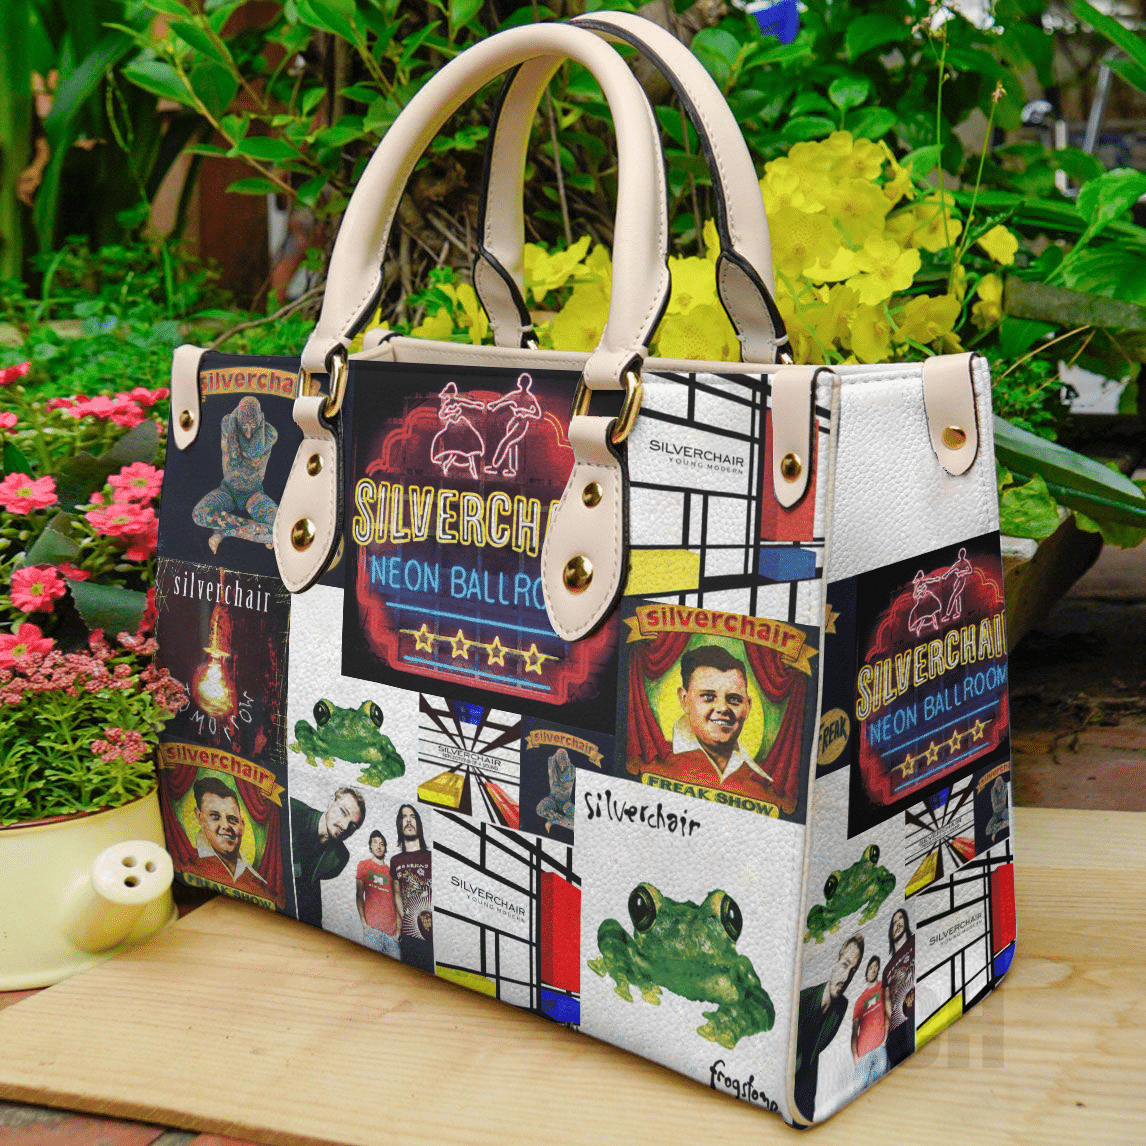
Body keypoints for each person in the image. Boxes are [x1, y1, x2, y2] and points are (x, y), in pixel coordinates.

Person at [650, 646, 774, 795]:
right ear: (684, 699)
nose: (723, 708)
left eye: (734, 699)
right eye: (708, 697)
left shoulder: (762, 782)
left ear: (747, 707)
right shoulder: (655, 763)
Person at [192, 396, 279, 553]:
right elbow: (234, 459)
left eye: (254, 425)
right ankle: (257, 532)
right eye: (244, 425)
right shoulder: (228, 423)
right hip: (227, 491)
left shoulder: (270, 433)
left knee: (281, 526)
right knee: (199, 514)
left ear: (261, 418)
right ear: (238, 417)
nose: (248, 432)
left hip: (254, 495)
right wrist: (233, 421)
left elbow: (253, 452)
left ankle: (225, 532)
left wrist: (226, 530)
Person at [794, 933, 864, 1123]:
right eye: (844, 965)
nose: (846, 976)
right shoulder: (801, 1001)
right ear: (835, 962)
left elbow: (817, 1048)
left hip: (806, 1090)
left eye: (853, 970)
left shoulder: (841, 1007)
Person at [290, 786, 366, 928]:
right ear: (331, 801)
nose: (345, 826)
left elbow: (311, 882)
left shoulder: (340, 858)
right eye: (343, 812)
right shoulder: (292, 811)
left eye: (353, 826)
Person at [183, 776, 269, 898]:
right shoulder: (187, 863)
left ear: (242, 825)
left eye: (232, 819)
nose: (225, 826)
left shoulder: (256, 880)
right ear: (199, 817)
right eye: (215, 816)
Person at [390, 803, 434, 973]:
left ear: (419, 824)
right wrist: (406, 921)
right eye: (404, 817)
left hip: (435, 935)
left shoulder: (433, 857)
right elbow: (397, 895)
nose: (408, 820)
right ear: (399, 825)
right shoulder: (395, 861)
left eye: (412, 816)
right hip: (410, 937)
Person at [484, 373, 541, 477]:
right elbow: (504, 400)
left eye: (524, 382)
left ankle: (495, 466)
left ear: (526, 384)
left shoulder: (530, 397)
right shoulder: (516, 395)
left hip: (522, 423)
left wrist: (524, 412)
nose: (522, 384)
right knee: (512, 445)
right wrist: (494, 405)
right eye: (522, 382)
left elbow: (537, 413)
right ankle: (512, 469)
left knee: (505, 443)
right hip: (514, 422)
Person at [356, 830, 400, 959]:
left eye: (382, 844)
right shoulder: (364, 865)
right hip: (372, 931)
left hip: (392, 935)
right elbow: (359, 895)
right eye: (375, 842)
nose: (378, 846)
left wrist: (398, 932)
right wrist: (365, 925)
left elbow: (397, 901)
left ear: (385, 847)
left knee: (395, 970)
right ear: (370, 845)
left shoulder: (391, 871)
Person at [850, 955, 888, 1091]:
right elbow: (854, 1031)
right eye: (870, 967)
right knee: (858, 1093)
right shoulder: (860, 1000)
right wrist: (855, 1055)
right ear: (866, 972)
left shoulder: (883, 987)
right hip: (863, 1053)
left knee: (881, 1089)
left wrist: (885, 1038)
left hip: (880, 1047)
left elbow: (888, 1011)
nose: (873, 969)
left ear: (878, 969)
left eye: (875, 966)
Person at [883, 908, 915, 1067]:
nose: (897, 923)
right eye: (894, 922)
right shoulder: (887, 969)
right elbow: (886, 1001)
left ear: (906, 922)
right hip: (896, 1030)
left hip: (915, 1014)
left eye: (900, 918)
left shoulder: (914, 941)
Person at [535, 747, 575, 832]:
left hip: (566, 802)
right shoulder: (552, 764)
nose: (562, 767)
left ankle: (552, 820)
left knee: (577, 817)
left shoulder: (572, 770)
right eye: (560, 763)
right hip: (553, 799)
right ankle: (568, 823)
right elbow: (552, 759)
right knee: (540, 809)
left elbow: (565, 779)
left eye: (564, 763)